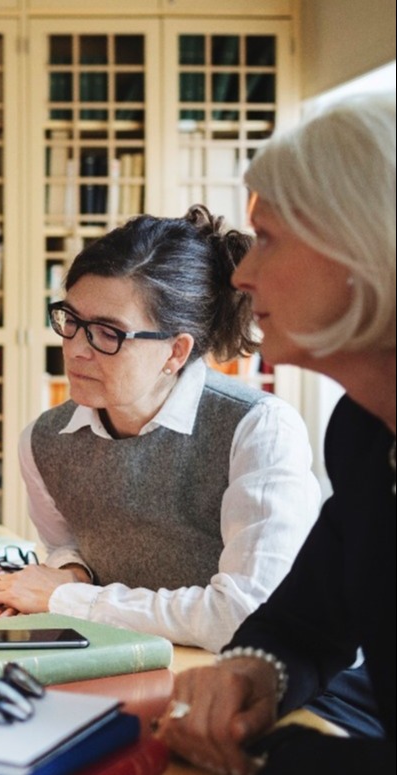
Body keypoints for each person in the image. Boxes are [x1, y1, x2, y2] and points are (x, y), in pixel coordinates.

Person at [156, 92, 396, 774]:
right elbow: (303, 624)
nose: (240, 274)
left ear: (365, 247)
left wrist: (278, 755)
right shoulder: (362, 432)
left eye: (268, 239)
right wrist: (245, 676)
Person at [0, 205, 322, 656]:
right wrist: (71, 572)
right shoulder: (43, 441)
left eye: (107, 333)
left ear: (176, 352)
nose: (77, 350)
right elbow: (67, 543)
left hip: (258, 678)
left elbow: (246, 612)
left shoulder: (258, 429)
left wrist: (66, 599)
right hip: (123, 660)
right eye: (71, 321)